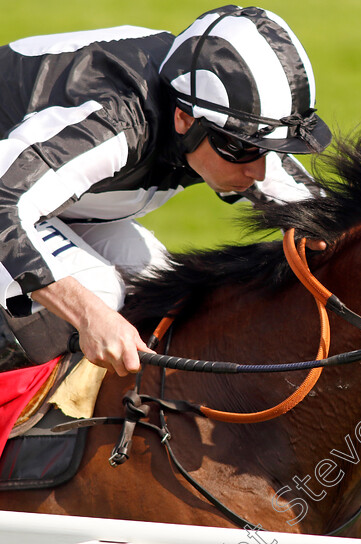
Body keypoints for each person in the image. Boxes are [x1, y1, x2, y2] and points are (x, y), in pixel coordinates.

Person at [0, 5, 330, 377]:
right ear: (184, 120)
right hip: (8, 196)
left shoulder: (211, 115)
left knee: (159, 286)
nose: (256, 171)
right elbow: (3, 202)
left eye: (271, 150)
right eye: (241, 148)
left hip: (41, 194)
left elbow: (325, 221)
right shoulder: (117, 122)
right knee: (99, 295)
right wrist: (89, 316)